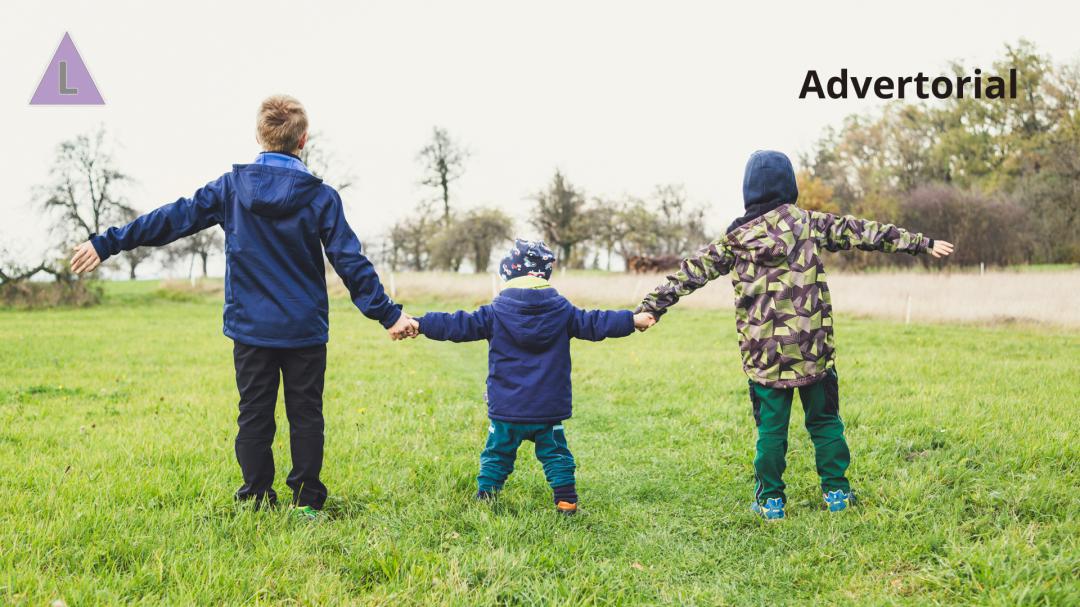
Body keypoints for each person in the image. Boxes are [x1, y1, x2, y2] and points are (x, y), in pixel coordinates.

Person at [69, 95, 418, 520]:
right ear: (303, 139)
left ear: (258, 135)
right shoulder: (321, 197)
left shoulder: (231, 189)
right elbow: (350, 261)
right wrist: (389, 314)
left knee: (254, 415)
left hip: (251, 329)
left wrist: (107, 242)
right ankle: (307, 502)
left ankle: (255, 497)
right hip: (304, 329)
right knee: (306, 414)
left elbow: (171, 219)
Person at [635, 150, 954, 520]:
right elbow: (862, 232)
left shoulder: (735, 239)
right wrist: (920, 243)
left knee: (771, 430)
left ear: (748, 191)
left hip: (765, 357)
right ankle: (836, 492)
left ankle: (771, 500)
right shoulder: (807, 223)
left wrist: (652, 306)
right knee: (824, 421)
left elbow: (690, 272)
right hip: (813, 349)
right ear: (790, 186)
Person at [414, 239, 654, 514]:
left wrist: (421, 324)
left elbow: (457, 324)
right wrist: (631, 320)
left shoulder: (495, 312)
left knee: (497, 454)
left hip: (507, 408)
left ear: (508, 274)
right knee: (556, 455)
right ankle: (566, 500)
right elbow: (595, 322)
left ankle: (486, 497)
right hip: (547, 408)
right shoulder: (563, 311)